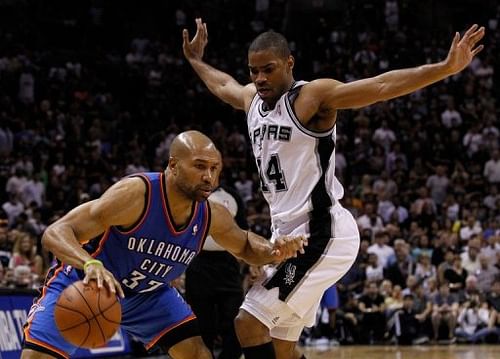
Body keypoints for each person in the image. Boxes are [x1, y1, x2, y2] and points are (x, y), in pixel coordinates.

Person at [183, 17, 485, 359]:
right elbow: (224, 86)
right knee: (282, 348)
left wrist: (445, 68)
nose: (259, 78)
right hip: (289, 239)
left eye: (268, 69)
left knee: (248, 323)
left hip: (322, 232)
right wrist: (196, 61)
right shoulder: (252, 100)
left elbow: (382, 85)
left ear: (289, 64)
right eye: (253, 71)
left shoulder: (311, 97)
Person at [21, 131, 305, 359]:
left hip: (149, 295)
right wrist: (89, 263)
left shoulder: (211, 213)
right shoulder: (136, 195)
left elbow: (244, 245)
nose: (209, 176)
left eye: (214, 168)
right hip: (85, 285)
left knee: (196, 353)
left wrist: (273, 250)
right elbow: (56, 231)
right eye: (199, 166)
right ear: (173, 165)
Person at [185, 182, 248, 358]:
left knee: (236, 325)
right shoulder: (189, 195)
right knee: (202, 328)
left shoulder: (232, 195)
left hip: (228, 263)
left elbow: (244, 231)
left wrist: (252, 264)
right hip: (198, 262)